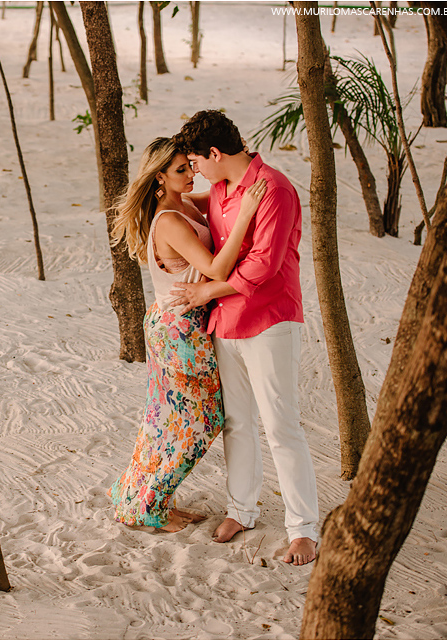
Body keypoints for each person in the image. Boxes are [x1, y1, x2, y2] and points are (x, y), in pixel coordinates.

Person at [171, 110, 319, 565]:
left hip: (271, 319)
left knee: (280, 426)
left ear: (214, 153)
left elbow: (264, 266)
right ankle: (242, 509)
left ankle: (304, 528)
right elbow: (176, 208)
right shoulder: (217, 191)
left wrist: (205, 290)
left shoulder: (273, 188)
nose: (195, 171)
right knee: (237, 423)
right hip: (226, 323)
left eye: (195, 161)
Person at [106, 137, 266, 533]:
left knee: (163, 419)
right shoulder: (170, 220)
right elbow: (214, 269)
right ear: (160, 176)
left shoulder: (185, 204)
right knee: (203, 418)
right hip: (179, 329)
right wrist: (246, 214)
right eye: (181, 170)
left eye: (190, 166)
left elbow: (216, 198)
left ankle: (137, 496)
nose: (191, 174)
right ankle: (153, 506)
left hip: (173, 321)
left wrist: (231, 158)